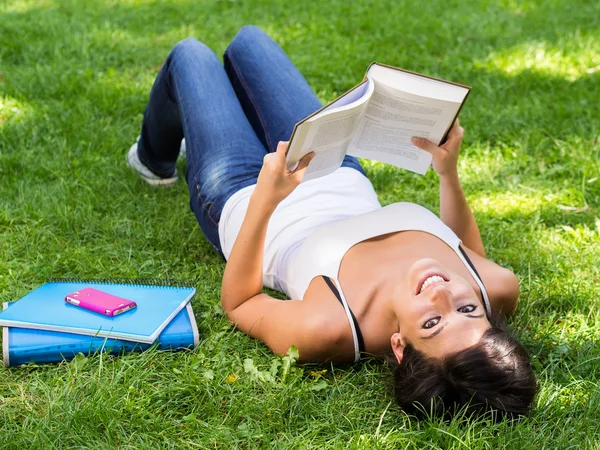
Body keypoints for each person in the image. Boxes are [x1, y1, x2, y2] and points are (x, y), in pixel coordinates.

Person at [127, 25, 538, 419]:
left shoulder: (330, 329)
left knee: (191, 56)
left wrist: (266, 197)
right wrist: (448, 173)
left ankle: (153, 159)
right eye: (468, 309)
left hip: (243, 193)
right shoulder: (496, 287)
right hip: (330, 162)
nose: (442, 294)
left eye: (431, 323)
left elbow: (241, 303)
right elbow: (469, 254)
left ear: (400, 346)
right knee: (250, 43)